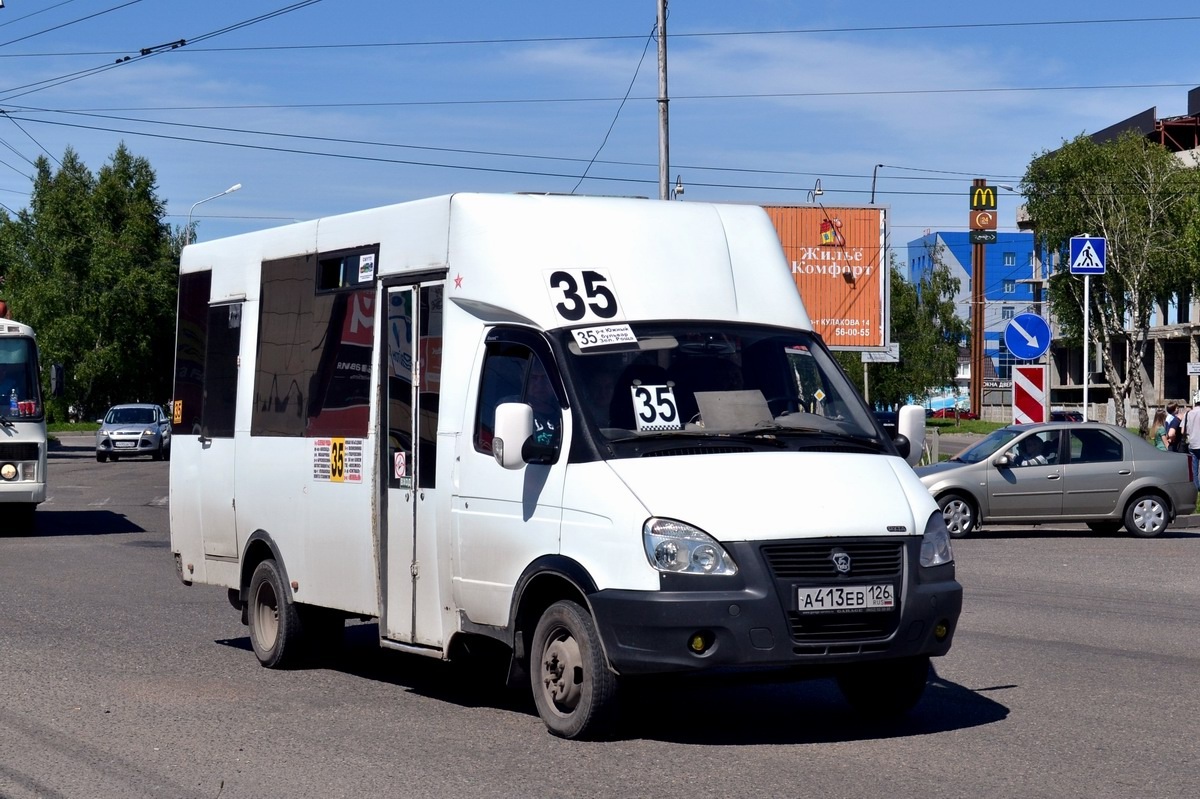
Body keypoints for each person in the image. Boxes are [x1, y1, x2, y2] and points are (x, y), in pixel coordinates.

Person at [1185, 397, 1200, 488]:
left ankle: (1196, 486)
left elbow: (1184, 430)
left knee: (1194, 467)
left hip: (1192, 443)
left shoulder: (1189, 414)